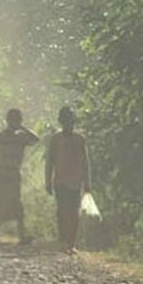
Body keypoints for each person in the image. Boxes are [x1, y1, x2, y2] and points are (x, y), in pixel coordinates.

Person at [0, 107, 39, 245]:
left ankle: (19, 236)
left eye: (17, 120)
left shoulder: (20, 137)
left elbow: (36, 139)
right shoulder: (0, 136)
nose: (14, 122)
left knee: (15, 204)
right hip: (1, 174)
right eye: (13, 120)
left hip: (10, 174)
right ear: (8, 121)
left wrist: (22, 128)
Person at [45, 105, 91, 255]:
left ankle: (72, 243)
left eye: (70, 120)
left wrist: (87, 181)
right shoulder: (56, 139)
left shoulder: (79, 139)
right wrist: (48, 181)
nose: (68, 123)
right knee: (62, 212)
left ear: (74, 121)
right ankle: (63, 241)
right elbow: (50, 161)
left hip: (76, 181)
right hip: (60, 181)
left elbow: (85, 161)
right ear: (60, 121)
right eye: (65, 120)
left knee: (74, 213)